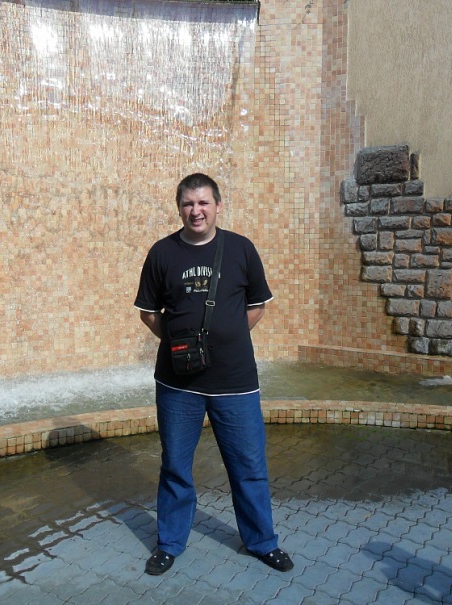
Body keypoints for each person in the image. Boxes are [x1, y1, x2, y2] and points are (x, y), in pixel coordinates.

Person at [134, 173, 293, 576]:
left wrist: (226, 338)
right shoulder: (162, 253)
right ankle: (169, 543)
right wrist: (180, 344)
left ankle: (262, 542)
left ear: (218, 206)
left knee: (249, 466)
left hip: (236, 382)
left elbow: (256, 306)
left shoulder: (241, 249)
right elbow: (149, 313)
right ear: (179, 208)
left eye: (203, 202)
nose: (196, 211)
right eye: (188, 204)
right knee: (175, 466)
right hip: (177, 384)